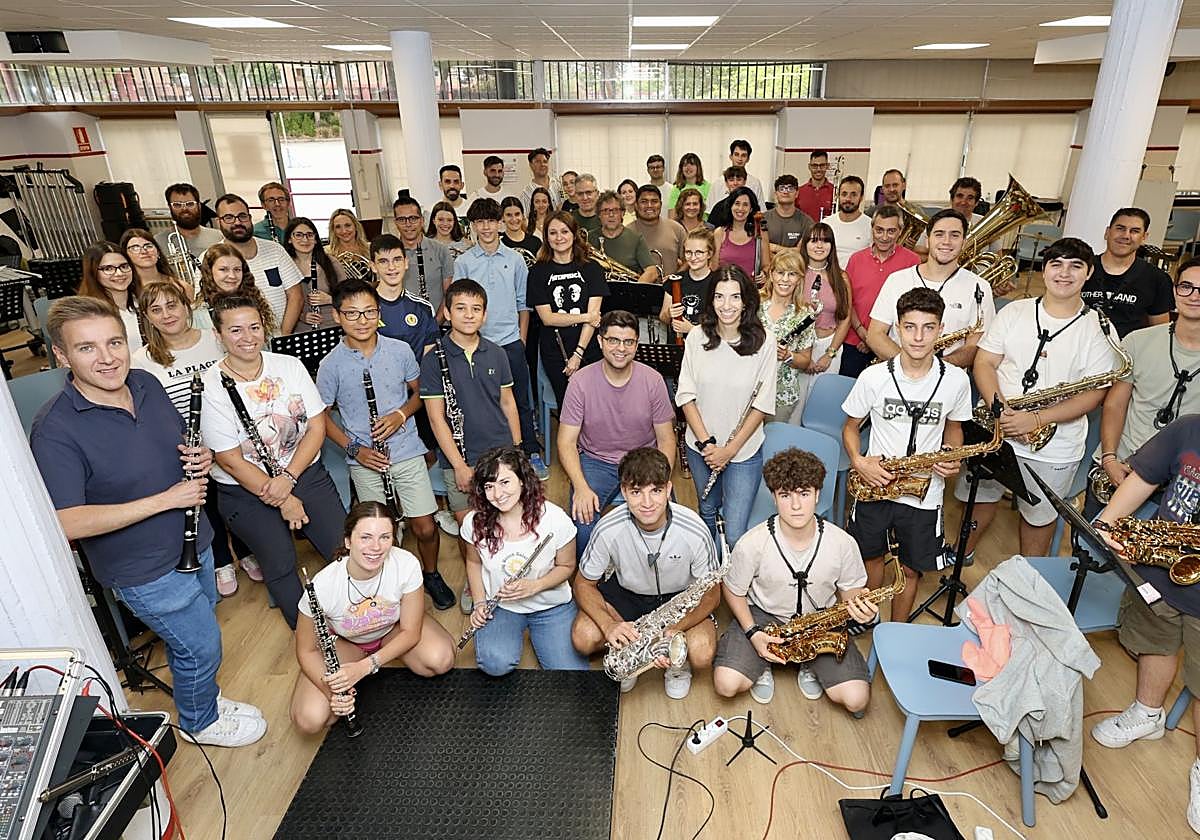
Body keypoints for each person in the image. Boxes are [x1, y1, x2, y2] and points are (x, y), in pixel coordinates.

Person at [31, 295, 265, 747]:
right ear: (61, 355)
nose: (106, 358)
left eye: (114, 342)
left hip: (194, 541)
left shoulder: (145, 382)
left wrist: (200, 455)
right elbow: (68, 523)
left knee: (200, 633)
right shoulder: (55, 429)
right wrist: (166, 500)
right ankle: (200, 721)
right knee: (199, 645)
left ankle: (206, 699)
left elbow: (179, 442)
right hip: (143, 567)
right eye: (86, 348)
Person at [955, 238, 1120, 558]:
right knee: (979, 498)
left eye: (1075, 266)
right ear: (1044, 270)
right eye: (1056, 264)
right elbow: (985, 363)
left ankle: (1029, 577)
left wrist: (1037, 418)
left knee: (1039, 518)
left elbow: (1095, 394)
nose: (1064, 273)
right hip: (995, 424)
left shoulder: (1099, 328)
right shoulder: (1015, 311)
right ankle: (962, 556)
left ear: (1089, 273)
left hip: (1055, 444)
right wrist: (1000, 409)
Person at [200, 294, 346, 629]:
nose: (248, 337)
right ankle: (311, 636)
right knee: (279, 564)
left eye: (254, 327)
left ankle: (358, 618)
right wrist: (282, 496)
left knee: (343, 549)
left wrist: (289, 481)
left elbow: (317, 426)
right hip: (245, 490)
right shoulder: (209, 386)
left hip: (303, 473)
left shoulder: (289, 366)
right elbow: (230, 460)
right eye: (235, 330)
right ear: (217, 335)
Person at [316, 278, 455, 611]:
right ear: (337, 316)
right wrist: (354, 450)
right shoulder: (330, 364)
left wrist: (400, 414)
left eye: (369, 313)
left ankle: (431, 573)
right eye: (352, 314)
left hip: (405, 448)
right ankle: (388, 585)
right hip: (363, 457)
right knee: (378, 529)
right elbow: (319, 419)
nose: (362, 321)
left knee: (424, 525)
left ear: (379, 313)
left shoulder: (400, 350)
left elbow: (420, 392)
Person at [1091, 414, 1200, 835]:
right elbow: (1144, 478)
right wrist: (1107, 522)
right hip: (1160, 568)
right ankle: (1148, 713)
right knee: (1156, 640)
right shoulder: (1189, 428)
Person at [843, 288, 973, 621]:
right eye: (910, 327)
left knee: (911, 569)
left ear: (941, 329)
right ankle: (868, 619)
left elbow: (955, 428)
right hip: (876, 483)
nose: (918, 336)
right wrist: (859, 462)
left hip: (924, 492)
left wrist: (952, 454)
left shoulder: (956, 381)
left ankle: (897, 629)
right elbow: (850, 428)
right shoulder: (874, 376)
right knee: (870, 557)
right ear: (897, 329)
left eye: (928, 327)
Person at [713, 448, 876, 712]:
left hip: (818, 620)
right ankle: (763, 663)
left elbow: (851, 592)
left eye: (804, 494)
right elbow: (732, 590)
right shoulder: (752, 543)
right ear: (774, 498)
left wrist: (864, 611)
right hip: (764, 617)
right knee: (726, 684)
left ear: (818, 495)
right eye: (786, 496)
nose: (796, 506)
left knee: (856, 698)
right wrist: (753, 634)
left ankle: (807, 662)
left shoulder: (843, 543)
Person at [290, 502, 455, 735]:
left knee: (440, 660)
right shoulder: (323, 585)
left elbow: (410, 632)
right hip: (346, 643)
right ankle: (343, 672)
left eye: (385, 537)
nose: (376, 547)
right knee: (310, 719)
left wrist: (365, 668)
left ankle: (367, 666)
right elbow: (306, 651)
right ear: (348, 541)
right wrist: (334, 694)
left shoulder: (406, 564)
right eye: (365, 537)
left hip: (392, 631)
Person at [132, 281, 249, 598]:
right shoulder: (141, 360)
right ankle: (222, 561)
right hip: (186, 446)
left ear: (187, 306)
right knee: (205, 504)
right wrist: (191, 443)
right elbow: (152, 413)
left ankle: (246, 550)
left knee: (235, 498)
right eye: (156, 309)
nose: (167, 314)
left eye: (172, 305)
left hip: (231, 435)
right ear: (146, 318)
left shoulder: (215, 339)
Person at [572, 448, 719, 699]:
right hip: (627, 594)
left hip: (679, 600)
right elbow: (583, 584)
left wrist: (676, 628)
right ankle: (629, 651)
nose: (647, 503)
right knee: (583, 638)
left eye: (656, 490)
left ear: (669, 489)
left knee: (702, 653)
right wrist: (609, 626)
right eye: (636, 492)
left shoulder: (695, 529)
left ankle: (673, 661)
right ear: (623, 491)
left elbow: (712, 594)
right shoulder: (607, 527)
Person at [420, 278, 523, 611]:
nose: (468, 315)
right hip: (460, 460)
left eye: (475, 309)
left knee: (505, 518)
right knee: (470, 526)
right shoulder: (434, 358)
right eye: (460, 308)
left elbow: (508, 403)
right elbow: (436, 419)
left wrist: (518, 451)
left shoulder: (496, 352)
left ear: (485, 314)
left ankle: (507, 577)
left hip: (501, 454)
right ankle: (473, 581)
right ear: (447, 312)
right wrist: (459, 465)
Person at [463, 447, 590, 675]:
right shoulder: (475, 522)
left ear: (522, 481)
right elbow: (474, 563)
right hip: (502, 605)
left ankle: (542, 633)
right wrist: (480, 603)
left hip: (550, 605)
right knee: (494, 664)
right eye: (489, 487)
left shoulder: (554, 519)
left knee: (570, 672)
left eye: (505, 482)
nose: (497, 494)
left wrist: (535, 586)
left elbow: (567, 566)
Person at [1088, 258, 1200, 517]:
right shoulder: (1138, 340)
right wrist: (1109, 458)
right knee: (1089, 551)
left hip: (1180, 484)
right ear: (1174, 291)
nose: (1194, 296)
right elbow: (1115, 404)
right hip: (1120, 466)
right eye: (1186, 286)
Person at [558, 310, 676, 554]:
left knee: (668, 525)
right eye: (613, 340)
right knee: (583, 527)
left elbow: (666, 439)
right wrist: (580, 486)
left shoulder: (653, 381)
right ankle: (590, 585)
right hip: (596, 461)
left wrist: (662, 481)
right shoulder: (580, 382)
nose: (620, 348)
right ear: (600, 341)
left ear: (636, 345)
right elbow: (566, 442)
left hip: (644, 459)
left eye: (628, 342)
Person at [677, 265, 777, 547]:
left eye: (734, 297)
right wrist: (708, 445)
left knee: (734, 531)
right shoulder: (697, 336)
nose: (726, 305)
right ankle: (709, 577)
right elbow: (686, 395)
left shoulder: (765, 342)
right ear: (711, 300)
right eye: (719, 297)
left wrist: (728, 452)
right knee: (707, 513)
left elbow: (762, 403)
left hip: (743, 451)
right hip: (701, 448)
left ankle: (733, 584)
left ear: (746, 301)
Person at [453, 198, 546, 478]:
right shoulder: (464, 262)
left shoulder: (515, 259)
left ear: (500, 223)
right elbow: (458, 304)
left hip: (510, 341)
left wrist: (521, 339)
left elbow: (523, 303)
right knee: (483, 401)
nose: (486, 227)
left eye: (491, 221)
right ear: (472, 226)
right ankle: (490, 455)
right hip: (476, 343)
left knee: (521, 400)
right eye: (480, 222)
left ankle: (529, 450)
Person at [867, 209, 995, 371]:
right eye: (939, 234)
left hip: (947, 379)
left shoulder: (980, 287)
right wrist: (909, 367)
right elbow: (875, 335)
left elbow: (975, 347)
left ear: (963, 242)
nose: (946, 241)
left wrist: (934, 370)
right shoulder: (897, 280)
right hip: (896, 374)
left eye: (954, 235)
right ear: (928, 241)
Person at [527, 210, 608, 405]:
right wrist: (585, 317)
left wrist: (578, 354)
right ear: (546, 237)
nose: (559, 237)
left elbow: (594, 316)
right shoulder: (538, 272)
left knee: (595, 405)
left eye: (564, 231)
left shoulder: (592, 269)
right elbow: (548, 318)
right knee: (568, 406)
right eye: (553, 233)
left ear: (574, 234)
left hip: (589, 347)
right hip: (555, 350)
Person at [841, 205, 920, 378]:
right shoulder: (856, 259)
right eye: (879, 230)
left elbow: (913, 308)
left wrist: (878, 339)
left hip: (893, 345)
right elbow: (847, 300)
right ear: (872, 229)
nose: (884, 237)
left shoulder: (913, 261)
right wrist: (864, 334)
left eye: (891, 231)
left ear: (900, 231)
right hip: (854, 341)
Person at [215, 193, 303, 334]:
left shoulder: (275, 249)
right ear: (218, 222)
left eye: (242, 216)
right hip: (239, 344)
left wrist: (283, 335)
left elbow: (295, 296)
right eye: (229, 218)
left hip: (279, 336)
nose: (237, 222)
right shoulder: (209, 258)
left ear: (250, 218)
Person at [1080, 207, 1174, 338]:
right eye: (1120, 228)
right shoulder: (1081, 269)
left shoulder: (1157, 278)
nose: (1126, 235)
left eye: (1134, 231)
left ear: (1144, 237)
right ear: (1107, 232)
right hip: (1080, 348)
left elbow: (1159, 332)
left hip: (1128, 353)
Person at [759, 251, 817, 423]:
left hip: (782, 395)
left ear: (799, 279)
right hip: (750, 391)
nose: (785, 279)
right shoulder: (755, 303)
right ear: (771, 274)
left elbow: (806, 361)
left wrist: (788, 356)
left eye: (792, 274)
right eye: (780, 272)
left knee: (773, 446)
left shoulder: (805, 314)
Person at [799, 223, 853, 383]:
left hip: (829, 346)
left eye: (825, 241)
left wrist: (830, 354)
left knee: (822, 402)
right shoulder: (796, 274)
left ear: (832, 245)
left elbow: (846, 318)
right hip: (798, 348)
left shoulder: (841, 277)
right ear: (805, 244)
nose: (819, 246)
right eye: (814, 240)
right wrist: (802, 357)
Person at [393, 191, 454, 318]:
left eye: (413, 218)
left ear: (422, 220)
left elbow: (449, 293)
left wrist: (435, 324)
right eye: (402, 220)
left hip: (437, 324)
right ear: (395, 222)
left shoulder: (441, 250)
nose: (408, 224)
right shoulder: (390, 254)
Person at [196, 243, 277, 337]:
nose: (232, 276)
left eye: (237, 269)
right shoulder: (199, 315)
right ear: (209, 272)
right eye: (223, 269)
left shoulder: (256, 302)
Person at [78, 241, 143, 354]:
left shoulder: (144, 302)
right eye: (108, 269)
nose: (119, 273)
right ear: (93, 273)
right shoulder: (88, 315)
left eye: (124, 266)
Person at [284, 216, 345, 330]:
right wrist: (301, 316)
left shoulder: (331, 263)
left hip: (332, 325)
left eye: (310, 235)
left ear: (316, 239)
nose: (305, 240)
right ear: (289, 239)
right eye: (298, 235)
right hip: (300, 330)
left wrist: (329, 299)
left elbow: (349, 296)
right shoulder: (284, 266)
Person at [660, 228, 717, 340]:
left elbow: (721, 327)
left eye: (699, 252)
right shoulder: (675, 280)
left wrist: (691, 329)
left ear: (710, 254)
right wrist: (669, 313)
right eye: (688, 252)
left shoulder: (718, 283)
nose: (693, 257)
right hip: (677, 347)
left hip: (706, 347)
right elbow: (663, 317)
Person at [594, 191, 659, 284]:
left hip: (627, 293)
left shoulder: (636, 238)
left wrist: (634, 289)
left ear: (622, 213)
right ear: (599, 214)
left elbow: (652, 272)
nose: (611, 215)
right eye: (606, 211)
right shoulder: (588, 239)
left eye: (615, 210)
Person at [913, 177, 985, 258]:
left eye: (970, 198)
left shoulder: (986, 223)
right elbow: (918, 251)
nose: (964, 202)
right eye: (959, 196)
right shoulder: (937, 221)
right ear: (951, 199)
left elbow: (998, 256)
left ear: (977, 202)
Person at [155, 182, 222, 263]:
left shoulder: (218, 237)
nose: (184, 209)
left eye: (190, 204)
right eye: (177, 205)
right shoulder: (157, 242)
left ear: (199, 206)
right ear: (170, 207)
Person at [712, 187, 771, 279]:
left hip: (751, 289)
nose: (740, 208)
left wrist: (763, 274)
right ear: (731, 206)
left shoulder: (760, 232)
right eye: (737, 204)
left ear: (751, 209)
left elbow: (767, 266)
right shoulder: (719, 233)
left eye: (745, 205)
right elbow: (714, 268)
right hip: (725, 288)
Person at [630, 185, 686, 271]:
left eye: (654, 201)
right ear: (636, 206)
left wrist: (675, 277)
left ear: (661, 204)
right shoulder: (628, 232)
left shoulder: (677, 229)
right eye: (644, 201)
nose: (649, 205)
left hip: (671, 284)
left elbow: (688, 261)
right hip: (637, 284)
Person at [121, 228, 186, 300]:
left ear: (158, 252)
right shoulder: (125, 291)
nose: (143, 251)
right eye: (135, 248)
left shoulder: (181, 287)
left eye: (148, 246)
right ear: (126, 255)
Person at [823, 176, 873, 261]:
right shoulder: (826, 223)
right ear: (838, 196)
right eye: (844, 194)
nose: (848, 199)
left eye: (853, 195)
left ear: (861, 197)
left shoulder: (871, 225)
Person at [764, 174, 814, 256]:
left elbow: (803, 250)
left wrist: (774, 247)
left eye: (790, 188)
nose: (786, 191)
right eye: (782, 188)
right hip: (769, 266)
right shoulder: (763, 219)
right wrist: (792, 250)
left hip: (796, 267)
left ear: (797, 193)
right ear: (776, 193)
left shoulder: (807, 222)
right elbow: (760, 248)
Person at [708, 140, 765, 208]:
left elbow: (761, 211)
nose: (739, 159)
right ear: (731, 157)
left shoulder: (755, 183)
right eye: (736, 154)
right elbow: (710, 211)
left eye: (743, 155)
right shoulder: (718, 183)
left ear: (748, 159)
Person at [499, 196, 543, 264]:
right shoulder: (498, 243)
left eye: (517, 214)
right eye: (509, 215)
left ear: (522, 215)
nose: (514, 219)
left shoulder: (535, 242)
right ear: (502, 217)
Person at [795, 151, 835, 223]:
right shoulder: (799, 192)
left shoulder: (835, 192)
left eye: (822, 165)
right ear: (809, 167)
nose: (818, 169)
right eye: (815, 166)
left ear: (827, 166)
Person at [705, 166, 748, 230]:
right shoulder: (719, 207)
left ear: (744, 181)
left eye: (739, 180)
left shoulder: (751, 203)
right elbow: (710, 230)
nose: (735, 183)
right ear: (726, 183)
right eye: (731, 180)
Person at [519, 148, 561, 212]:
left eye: (545, 161)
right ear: (531, 165)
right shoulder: (526, 193)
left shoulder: (559, 184)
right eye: (538, 162)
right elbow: (526, 217)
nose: (542, 165)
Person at [570, 173, 602, 243]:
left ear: (597, 194)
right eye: (580, 194)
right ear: (575, 196)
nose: (585, 198)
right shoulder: (568, 219)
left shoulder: (607, 219)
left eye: (589, 192)